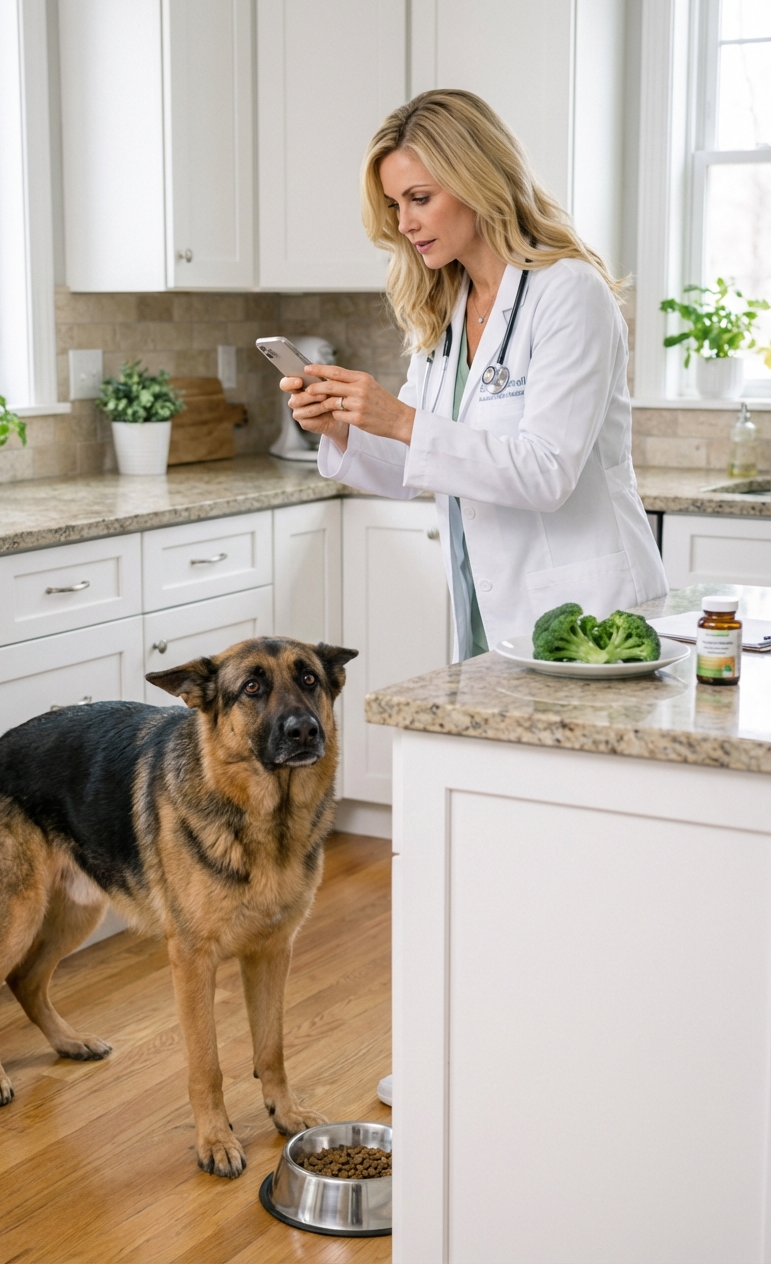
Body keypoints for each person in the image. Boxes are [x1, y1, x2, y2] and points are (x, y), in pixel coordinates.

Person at [280, 90, 668, 1104]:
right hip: (492, 624)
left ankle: (583, 1070)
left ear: (477, 175)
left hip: (590, 625)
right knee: (479, 843)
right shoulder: (444, 312)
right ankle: (476, 1058)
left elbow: (540, 470)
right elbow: (421, 470)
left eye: (419, 196)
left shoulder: (568, 294)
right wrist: (340, 426)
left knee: (572, 858)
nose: (407, 223)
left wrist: (400, 418)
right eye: (393, 208)